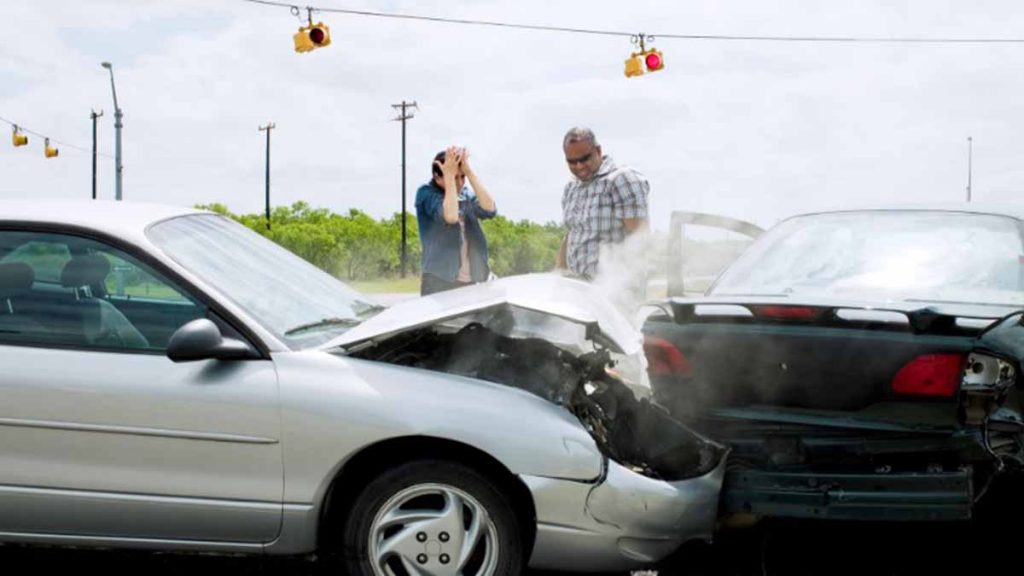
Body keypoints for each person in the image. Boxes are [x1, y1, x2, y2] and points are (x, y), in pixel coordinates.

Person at [555, 127, 650, 307]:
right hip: (578, 293)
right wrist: (557, 277)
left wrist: (622, 291)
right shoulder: (571, 188)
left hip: (615, 295)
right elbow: (571, 235)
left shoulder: (622, 180)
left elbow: (641, 241)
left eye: (584, 159)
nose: (579, 166)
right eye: (572, 162)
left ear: (598, 151)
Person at [415, 145, 497, 295]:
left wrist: (469, 172)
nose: (459, 183)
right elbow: (451, 216)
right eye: (454, 177)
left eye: (462, 177)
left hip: (472, 280)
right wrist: (448, 175)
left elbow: (489, 209)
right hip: (439, 281)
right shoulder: (426, 194)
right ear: (437, 176)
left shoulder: (465, 194)